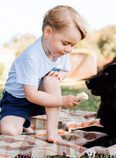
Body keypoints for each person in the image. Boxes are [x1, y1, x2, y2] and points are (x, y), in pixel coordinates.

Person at [0, 5, 87, 142]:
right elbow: (31, 95)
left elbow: (65, 70)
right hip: (17, 101)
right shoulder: (31, 57)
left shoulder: (60, 51)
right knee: (9, 131)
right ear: (48, 32)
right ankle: (20, 121)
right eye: (66, 43)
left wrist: (60, 76)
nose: (69, 49)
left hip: (42, 98)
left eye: (73, 45)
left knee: (51, 80)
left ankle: (52, 132)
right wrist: (62, 100)